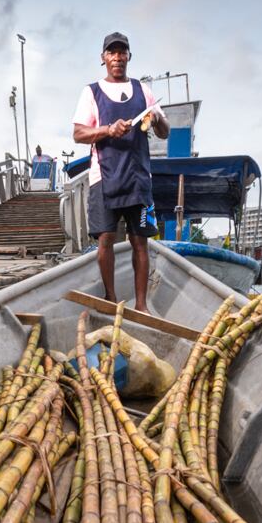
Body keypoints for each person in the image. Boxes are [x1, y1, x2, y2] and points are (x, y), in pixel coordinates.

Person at [72, 32, 169, 313]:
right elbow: (78, 133)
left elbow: (164, 132)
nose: (117, 57)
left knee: (140, 241)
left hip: (139, 179)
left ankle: (141, 305)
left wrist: (157, 118)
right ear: (103, 58)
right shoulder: (91, 91)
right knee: (105, 239)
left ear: (129, 56)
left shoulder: (144, 91)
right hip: (104, 176)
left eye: (122, 52)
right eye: (111, 53)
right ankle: (110, 297)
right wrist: (108, 129)